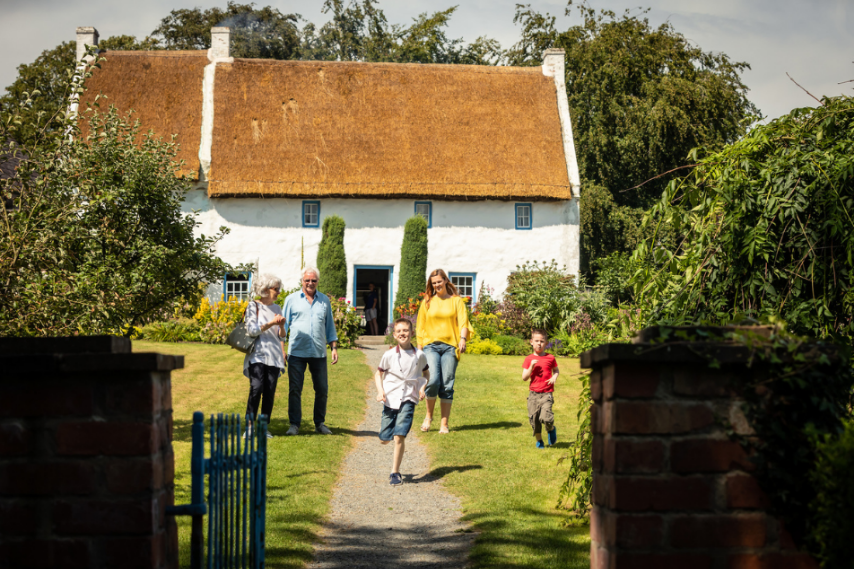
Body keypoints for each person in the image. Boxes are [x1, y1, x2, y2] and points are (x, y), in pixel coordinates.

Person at [282, 267, 339, 436]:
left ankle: (319, 423)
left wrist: (333, 347)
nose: (310, 283)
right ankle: (294, 425)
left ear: (317, 282)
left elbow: (330, 326)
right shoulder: (291, 300)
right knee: (295, 389)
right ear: (302, 281)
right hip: (296, 353)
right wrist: (281, 348)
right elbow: (283, 327)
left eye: (313, 280)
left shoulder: (324, 301)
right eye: (307, 280)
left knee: (322, 389)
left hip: (318, 353)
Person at [415, 269, 471, 434]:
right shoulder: (427, 301)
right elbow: (420, 326)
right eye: (434, 283)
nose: (437, 285)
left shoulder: (456, 301)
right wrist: (419, 351)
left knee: (447, 384)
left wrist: (462, 339)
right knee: (432, 381)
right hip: (430, 345)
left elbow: (463, 322)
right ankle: (428, 416)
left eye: (439, 281)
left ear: (446, 280)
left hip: (450, 347)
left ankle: (444, 424)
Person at [375, 318, 429, 485]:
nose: (402, 334)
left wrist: (422, 388)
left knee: (399, 436)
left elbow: (426, 374)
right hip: (390, 398)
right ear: (394, 335)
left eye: (405, 330)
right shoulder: (389, 355)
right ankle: (387, 433)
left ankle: (395, 472)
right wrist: (380, 391)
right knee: (385, 439)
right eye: (399, 331)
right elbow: (378, 374)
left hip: (408, 398)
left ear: (411, 333)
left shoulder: (419, 355)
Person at [243, 274, 286, 439]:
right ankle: (249, 426)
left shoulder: (277, 308)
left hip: (274, 355)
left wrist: (281, 326)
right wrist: (271, 323)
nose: (278, 292)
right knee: (256, 387)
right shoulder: (253, 306)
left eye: (278, 289)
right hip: (257, 354)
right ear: (265, 289)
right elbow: (251, 330)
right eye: (276, 289)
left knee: (269, 391)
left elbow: (282, 336)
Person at [522, 329, 559, 448]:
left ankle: (551, 429)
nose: (539, 343)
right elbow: (524, 378)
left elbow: (556, 370)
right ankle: (539, 441)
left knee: (546, 417)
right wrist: (531, 367)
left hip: (546, 393)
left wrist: (554, 377)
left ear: (546, 343)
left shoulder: (550, 358)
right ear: (531, 342)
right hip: (533, 394)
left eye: (542, 341)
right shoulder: (528, 359)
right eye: (536, 341)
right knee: (535, 419)